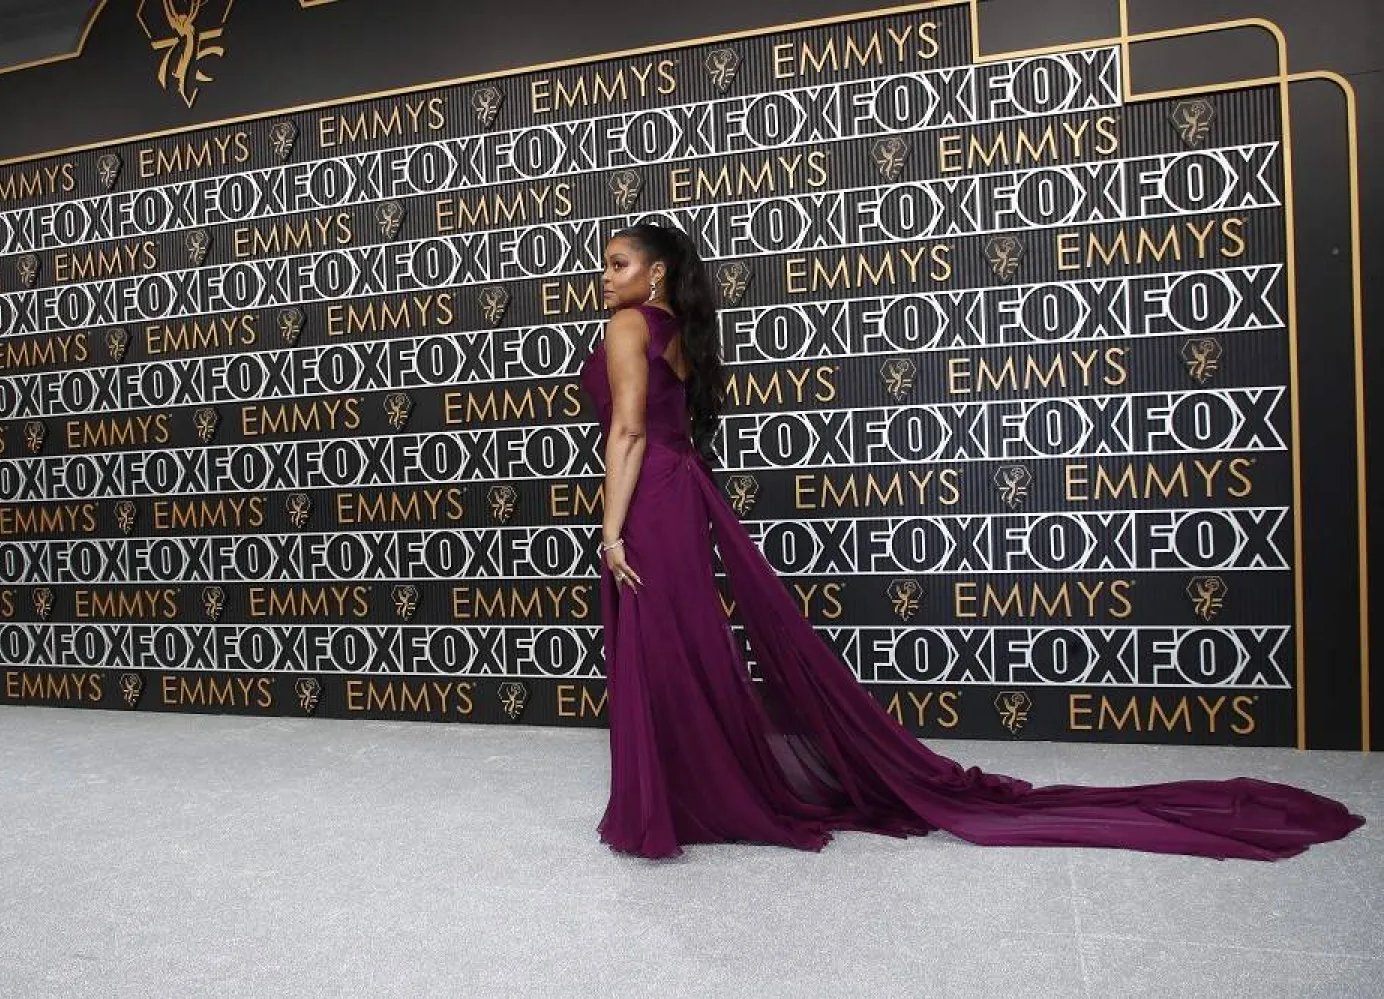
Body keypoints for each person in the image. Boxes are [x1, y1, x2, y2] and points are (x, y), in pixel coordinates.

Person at [576, 221, 1365, 861]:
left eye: (617, 264)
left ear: (653, 275)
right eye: (604, 267)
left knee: (658, 644)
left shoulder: (628, 325)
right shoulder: (676, 330)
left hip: (649, 501)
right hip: (683, 495)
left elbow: (630, 433)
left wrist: (609, 531)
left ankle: (670, 802)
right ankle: (692, 793)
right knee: (678, 644)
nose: (604, 277)